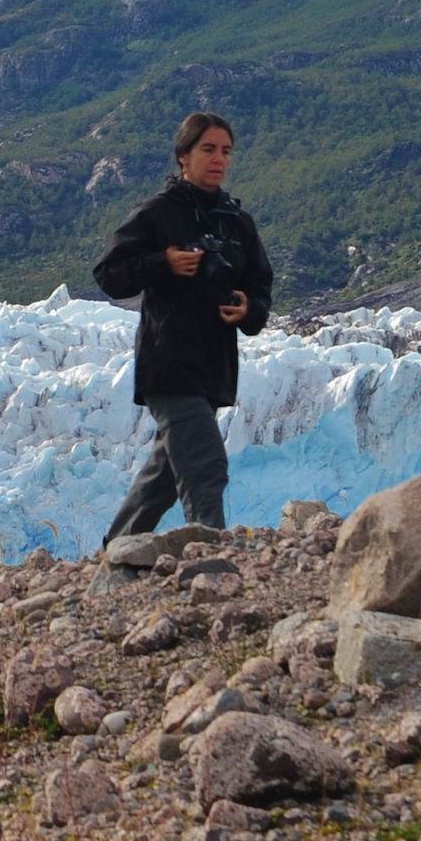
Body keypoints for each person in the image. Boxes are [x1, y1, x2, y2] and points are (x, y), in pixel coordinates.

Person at [93, 111, 272, 541]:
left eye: (226, 151)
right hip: (169, 362)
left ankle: (116, 556)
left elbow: (260, 290)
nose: (219, 159)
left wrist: (248, 309)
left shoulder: (236, 223)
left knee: (165, 476)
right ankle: (210, 558)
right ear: (183, 156)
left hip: (212, 367)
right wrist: (163, 263)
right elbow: (110, 274)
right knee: (205, 465)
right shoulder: (157, 214)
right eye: (208, 149)